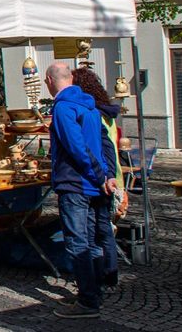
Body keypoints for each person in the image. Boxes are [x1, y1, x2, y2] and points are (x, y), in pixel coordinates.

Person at [45, 62, 117, 319]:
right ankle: (94, 293)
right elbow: (105, 144)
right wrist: (107, 175)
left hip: (76, 183)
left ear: (50, 81)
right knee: (91, 242)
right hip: (93, 184)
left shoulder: (64, 108)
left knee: (78, 244)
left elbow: (77, 147)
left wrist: (99, 176)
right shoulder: (90, 105)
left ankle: (88, 301)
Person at [72, 67, 126, 288]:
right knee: (104, 228)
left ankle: (103, 275)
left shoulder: (95, 114)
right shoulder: (106, 112)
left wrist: (105, 174)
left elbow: (104, 147)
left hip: (103, 176)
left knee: (99, 229)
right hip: (110, 175)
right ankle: (108, 274)